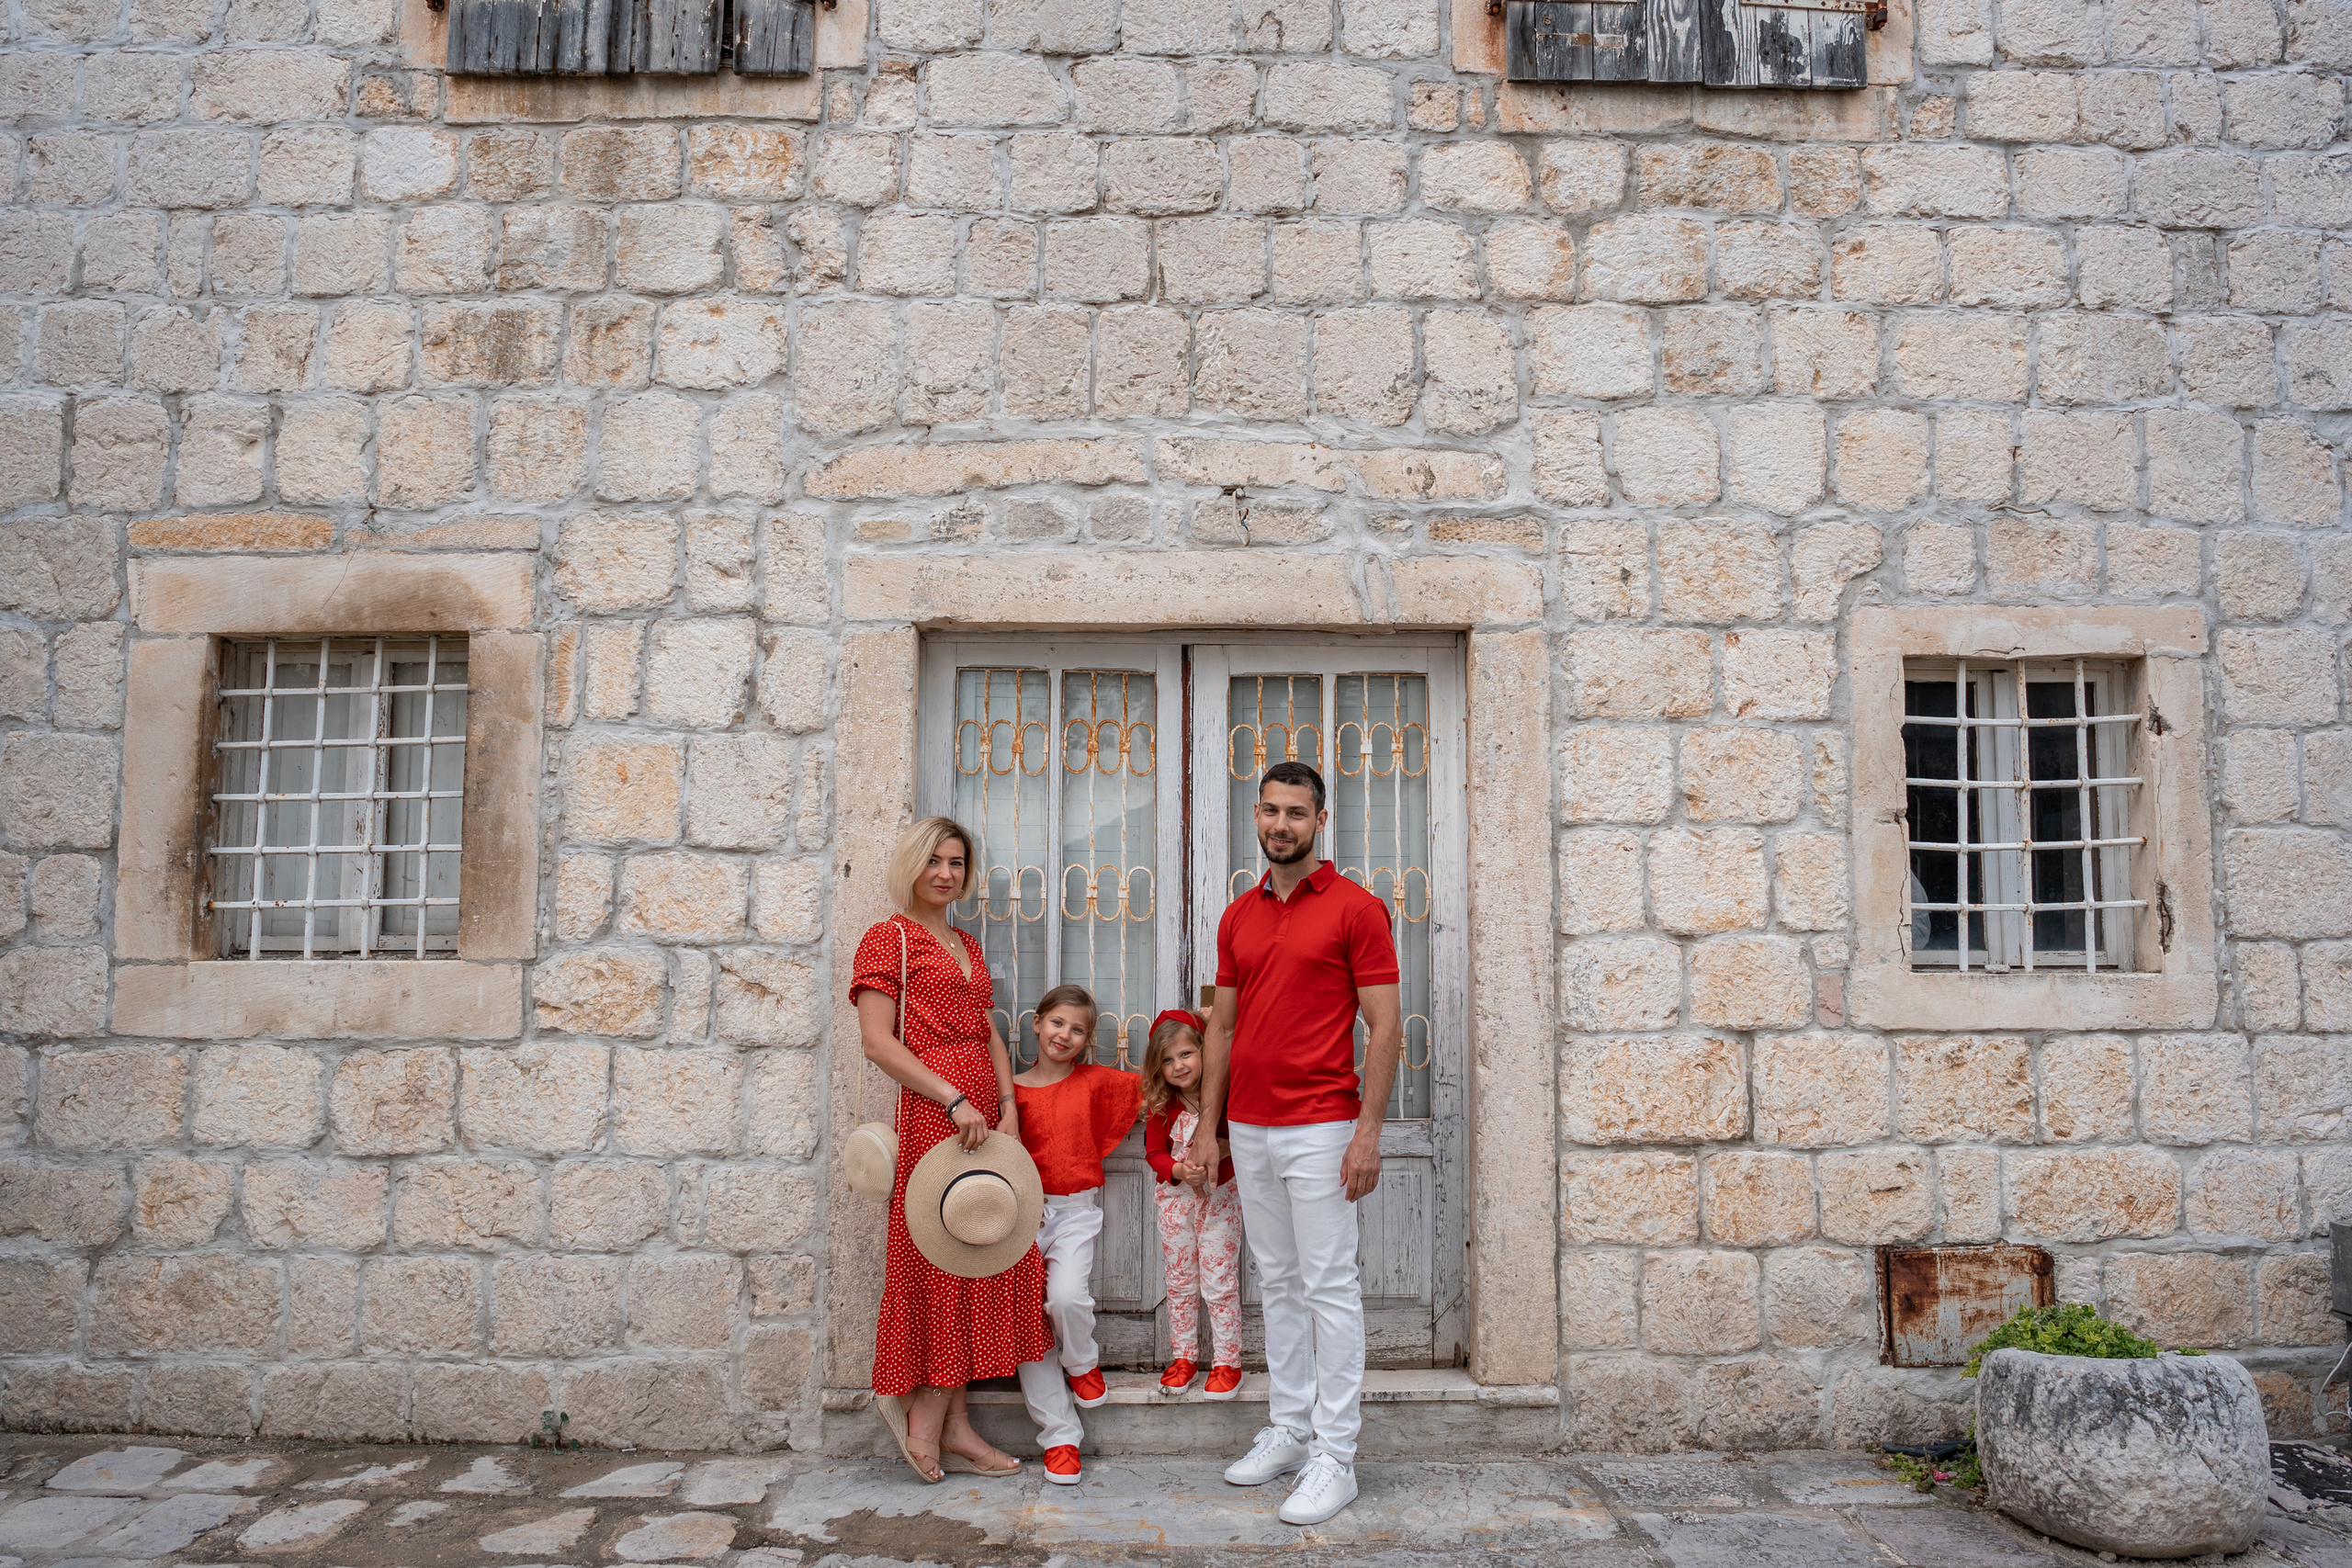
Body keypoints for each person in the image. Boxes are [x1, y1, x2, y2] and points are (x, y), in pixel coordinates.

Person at [1187, 760, 1402, 1527]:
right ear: (1256, 815)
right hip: (1248, 1125)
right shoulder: (1239, 914)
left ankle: (1336, 1457)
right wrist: (1209, 1127)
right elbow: (1221, 1025)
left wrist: (1367, 1131)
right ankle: (1291, 1425)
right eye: (1271, 811)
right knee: (1276, 1280)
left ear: (1320, 821)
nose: (1282, 824)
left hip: (1321, 1125)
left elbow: (1386, 1027)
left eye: (1296, 813)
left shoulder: (1356, 907)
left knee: (1329, 1287)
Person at [852, 816, 1046, 1483]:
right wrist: (951, 1096)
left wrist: (1010, 1105)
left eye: (957, 862)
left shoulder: (966, 941)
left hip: (983, 1116)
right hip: (936, 1113)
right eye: (934, 859)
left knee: (978, 1254)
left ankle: (959, 1423)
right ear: (913, 863)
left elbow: (988, 1030)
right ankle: (928, 1414)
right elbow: (879, 1042)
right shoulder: (889, 937)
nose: (945, 872)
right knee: (937, 1263)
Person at [1009, 983, 1143, 1485]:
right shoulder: (1013, 1092)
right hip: (1017, 1217)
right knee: (1026, 1324)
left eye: (1077, 1029)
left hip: (1074, 1212)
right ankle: (1060, 1437)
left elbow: (1156, 1086)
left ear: (1087, 1041)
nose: (1064, 1035)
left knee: (1066, 1297)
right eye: (1057, 1023)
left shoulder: (1094, 1083)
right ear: (1037, 1022)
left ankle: (1082, 1362)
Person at [1140, 1009, 1244, 1403]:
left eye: (1186, 1054)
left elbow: (1243, 1140)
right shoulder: (1164, 1108)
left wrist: (1222, 1148)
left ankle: (1227, 1362)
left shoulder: (1227, 1099)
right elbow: (1153, 1154)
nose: (1178, 1065)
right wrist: (1179, 1169)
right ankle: (1183, 1357)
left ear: (1204, 1051)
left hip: (1220, 1202)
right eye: (1167, 1060)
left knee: (1219, 1283)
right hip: (1175, 1204)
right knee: (1181, 1282)